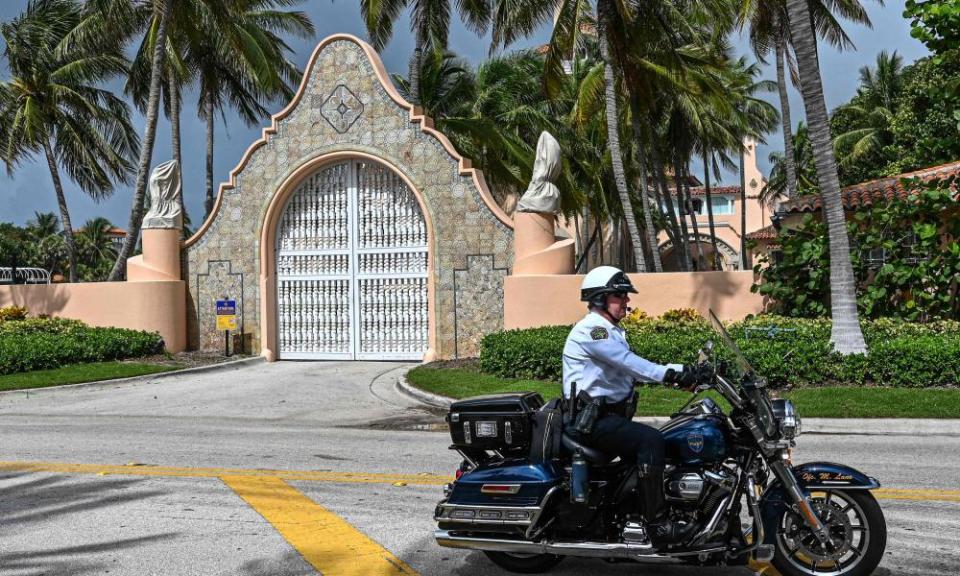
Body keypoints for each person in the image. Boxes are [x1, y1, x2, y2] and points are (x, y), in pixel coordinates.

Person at [562, 265, 701, 546]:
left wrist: (688, 370)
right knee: (650, 440)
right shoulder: (593, 331)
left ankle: (635, 510)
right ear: (600, 299)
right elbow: (631, 364)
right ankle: (658, 525)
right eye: (619, 296)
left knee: (667, 440)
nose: (627, 301)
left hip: (606, 419)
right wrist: (671, 374)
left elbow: (631, 365)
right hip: (592, 423)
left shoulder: (609, 330)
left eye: (625, 296)